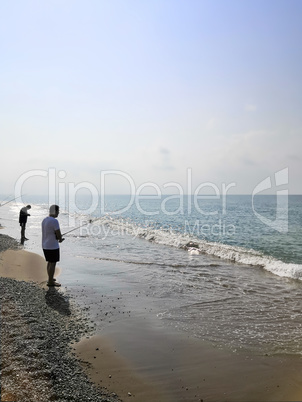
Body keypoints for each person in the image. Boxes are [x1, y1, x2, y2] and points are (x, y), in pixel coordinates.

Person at [42, 205, 64, 287]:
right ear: (55, 211)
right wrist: (60, 239)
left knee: (49, 262)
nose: (58, 213)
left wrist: (58, 237)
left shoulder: (45, 220)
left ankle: (50, 278)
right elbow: (58, 234)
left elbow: (49, 232)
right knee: (53, 263)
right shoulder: (54, 221)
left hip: (45, 244)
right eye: (58, 211)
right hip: (52, 245)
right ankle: (50, 281)